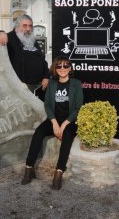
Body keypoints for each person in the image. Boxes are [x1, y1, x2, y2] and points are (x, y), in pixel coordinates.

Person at [20, 56, 83, 190]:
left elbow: (78, 107)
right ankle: (29, 168)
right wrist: (54, 123)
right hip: (54, 119)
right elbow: (48, 105)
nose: (62, 69)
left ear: (70, 68)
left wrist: (64, 124)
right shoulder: (52, 84)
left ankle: (59, 172)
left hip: (70, 121)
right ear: (55, 69)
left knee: (67, 137)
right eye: (59, 66)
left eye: (65, 66)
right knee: (38, 132)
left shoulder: (76, 84)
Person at [0, 14, 49, 92]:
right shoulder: (10, 38)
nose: (28, 29)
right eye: (24, 26)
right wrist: (0, 33)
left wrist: (46, 76)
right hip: (21, 87)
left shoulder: (32, 40)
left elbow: (42, 60)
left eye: (30, 26)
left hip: (40, 85)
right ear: (17, 27)